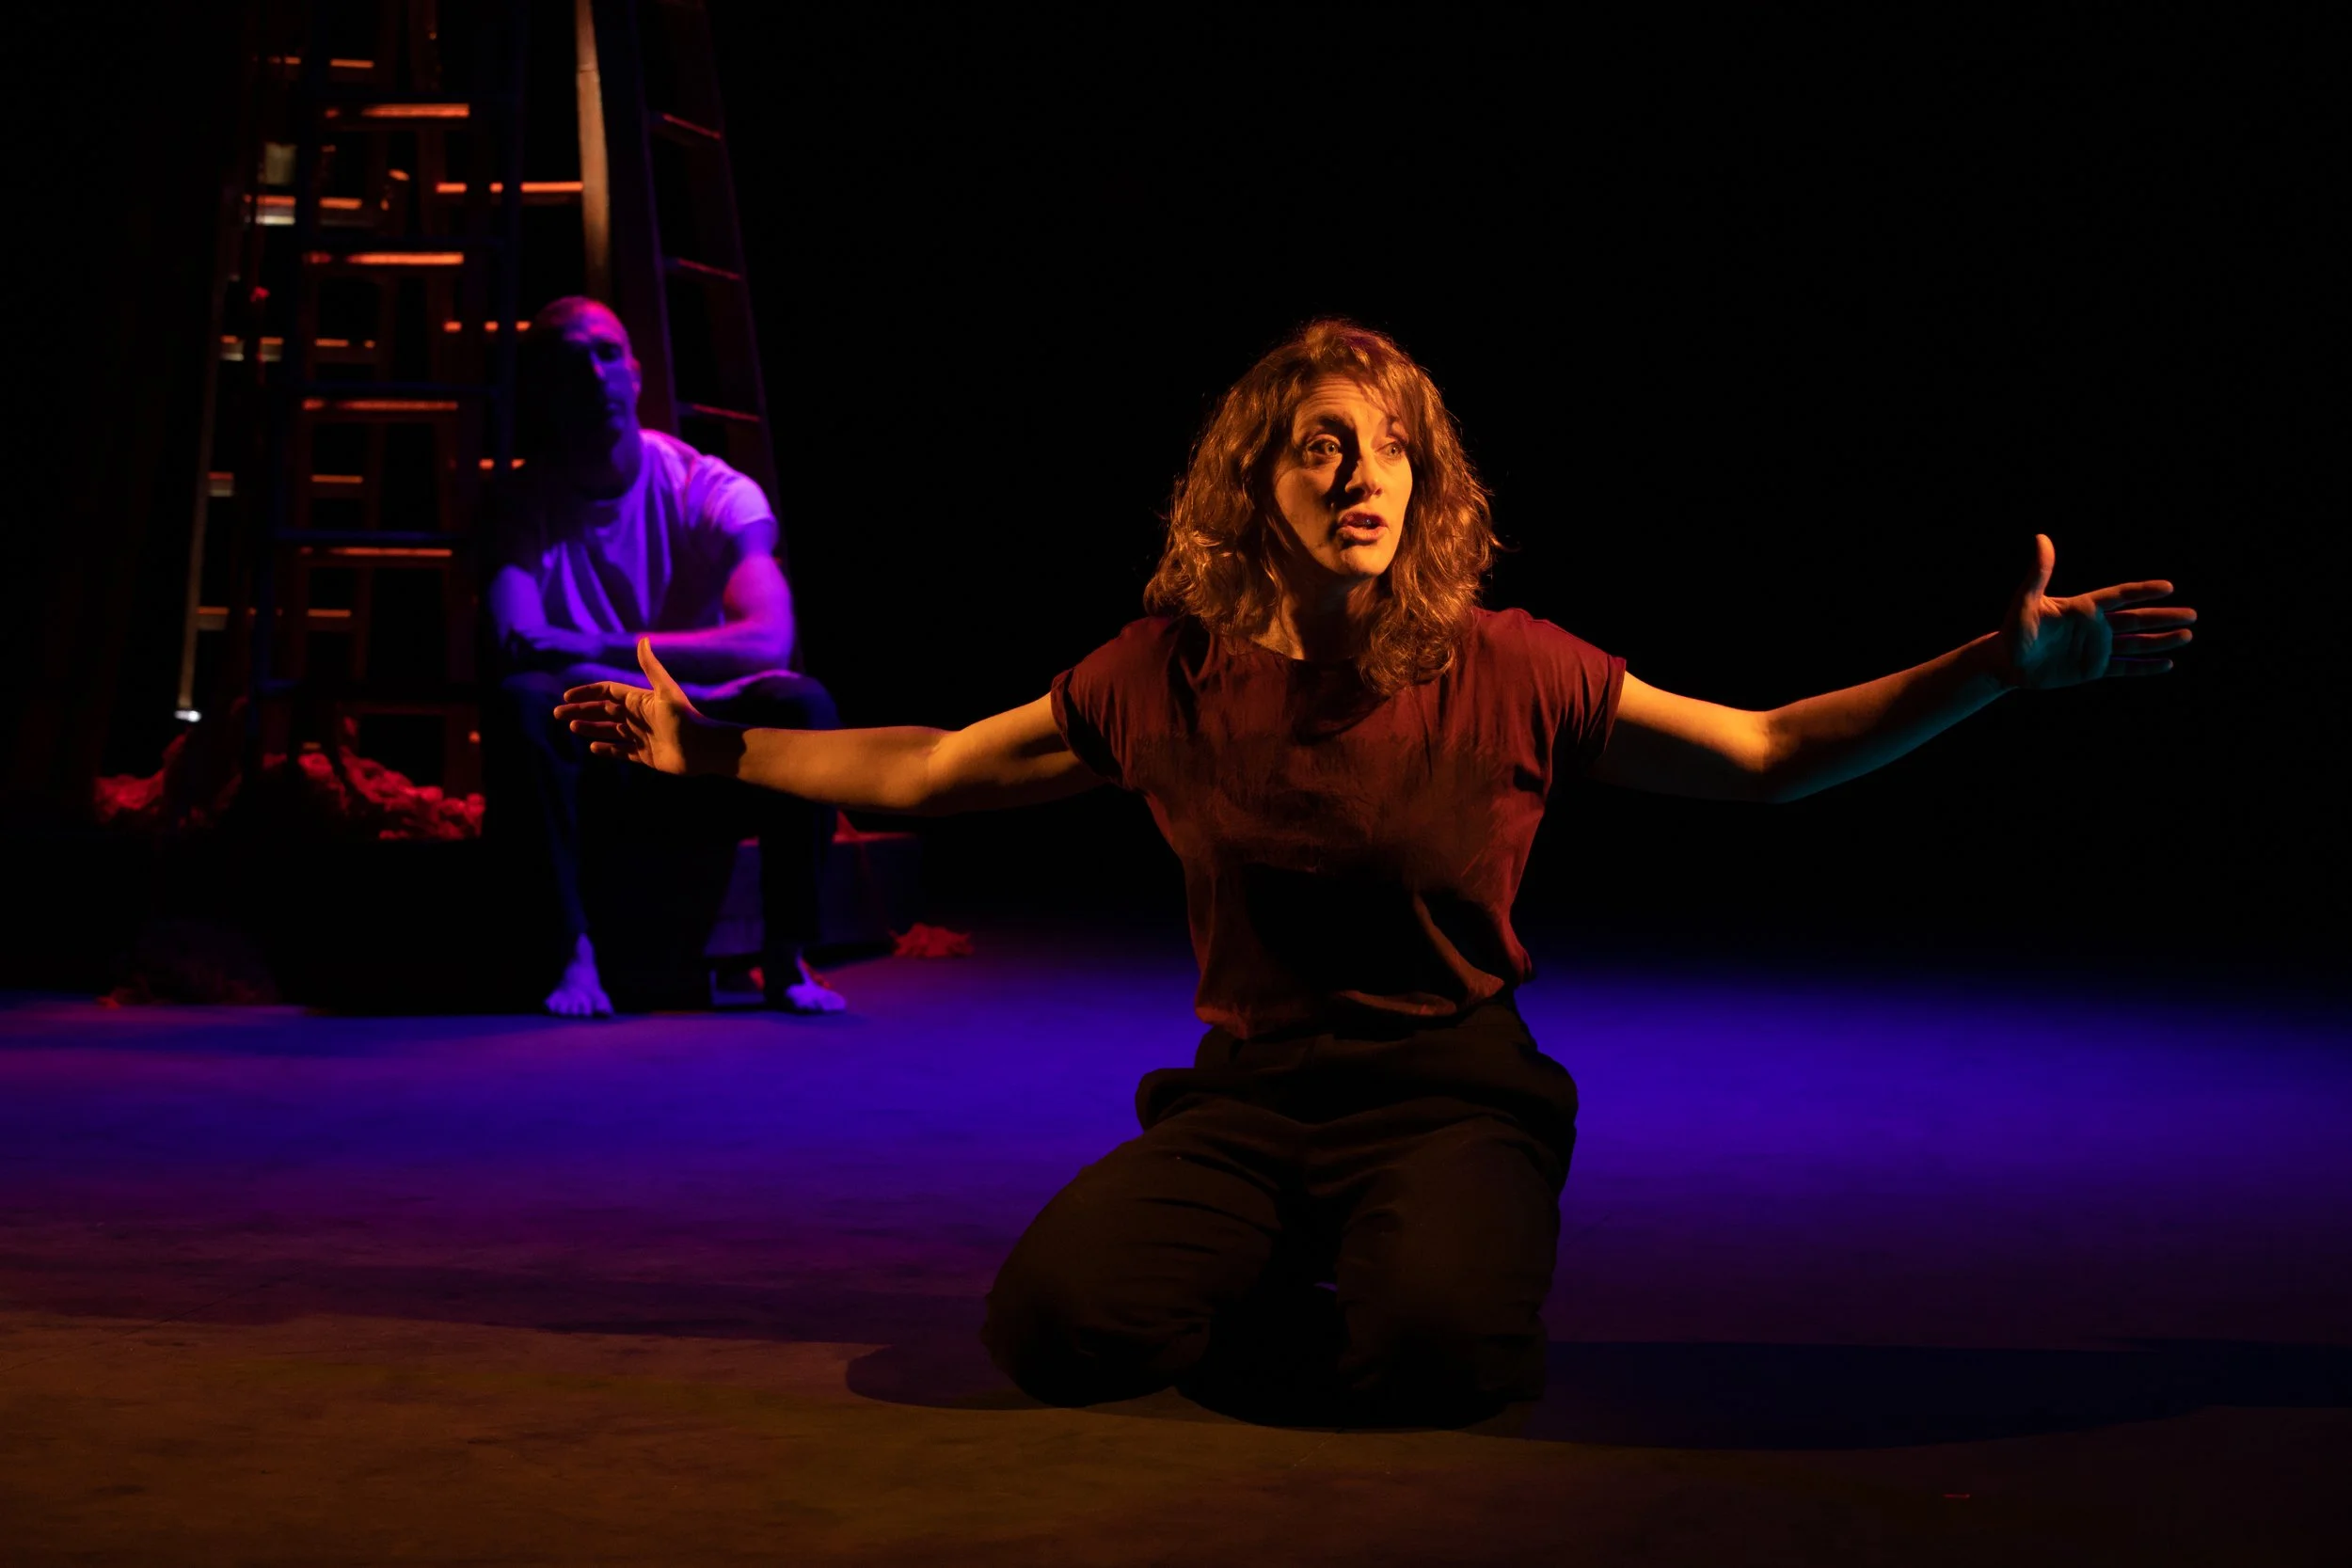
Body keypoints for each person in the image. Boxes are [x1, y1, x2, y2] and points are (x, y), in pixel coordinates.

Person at [554, 320, 2196, 1422]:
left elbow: (1766, 752)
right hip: (1251, 1100)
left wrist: (1992, 672)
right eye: (1322, 448)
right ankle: (1298, 1246)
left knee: (1437, 1355)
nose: (1363, 475)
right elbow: (932, 767)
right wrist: (711, 751)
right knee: (1054, 1329)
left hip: (1451, 1090)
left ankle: (1413, 1255)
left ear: (1427, 480)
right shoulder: (1169, 672)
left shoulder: (1510, 665)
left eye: (1391, 447)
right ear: (1253, 489)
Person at [482, 295, 844, 1017]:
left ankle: (786, 955)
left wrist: (595, 649)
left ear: (636, 373)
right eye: (571, 363)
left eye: (607, 354)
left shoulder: (706, 487)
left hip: (695, 754)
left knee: (802, 703)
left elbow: (768, 640)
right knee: (522, 702)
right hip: (601, 760)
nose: (595, 376)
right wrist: (673, 683)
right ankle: (571, 953)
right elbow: (515, 644)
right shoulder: (518, 502)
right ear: (544, 390)